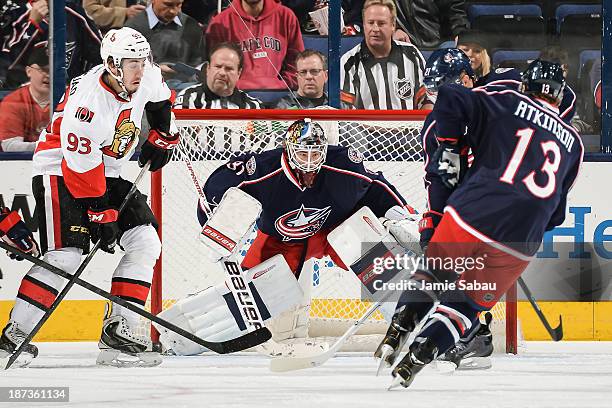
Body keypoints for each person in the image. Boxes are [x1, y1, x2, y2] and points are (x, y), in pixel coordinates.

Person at [380, 59, 583, 388]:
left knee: (435, 272)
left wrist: (439, 222)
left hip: (475, 208)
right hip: (522, 238)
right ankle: (421, 354)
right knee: (467, 304)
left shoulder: (498, 97)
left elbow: (440, 172)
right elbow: (556, 213)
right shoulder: (572, 141)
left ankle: (402, 325)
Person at [0, 27, 178, 368]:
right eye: (131, 64)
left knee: (145, 242)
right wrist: (101, 213)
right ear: (112, 65)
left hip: (106, 170)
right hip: (60, 169)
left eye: (143, 61)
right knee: (66, 256)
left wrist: (161, 135)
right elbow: (80, 169)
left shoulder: (145, 74)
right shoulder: (87, 106)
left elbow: (158, 102)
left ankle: (118, 332)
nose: (140, 70)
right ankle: (13, 337)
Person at [340, 0, 431, 110]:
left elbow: (427, 100)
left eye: (381, 23)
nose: (375, 29)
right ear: (363, 24)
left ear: (393, 25)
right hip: (364, 127)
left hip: (410, 127)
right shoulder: (348, 63)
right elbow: (346, 114)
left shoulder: (412, 54)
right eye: (370, 23)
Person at [205, 0, 305, 90]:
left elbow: (298, 64)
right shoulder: (220, 22)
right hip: (234, 97)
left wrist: (282, 85)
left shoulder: (286, 16)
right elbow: (213, 71)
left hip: (278, 95)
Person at [1, 0, 102, 88]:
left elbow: (100, 55)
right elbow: (9, 67)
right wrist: (32, 25)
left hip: (69, 95)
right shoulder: (15, 16)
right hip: (28, 97)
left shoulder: (75, 13)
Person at [125, 0, 205, 83]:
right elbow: (127, 67)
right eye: (167, 4)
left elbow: (198, 64)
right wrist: (153, 70)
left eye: (178, 5)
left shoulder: (191, 26)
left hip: (184, 87)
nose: (173, 11)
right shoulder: (132, 29)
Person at [174, 42, 263, 109]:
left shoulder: (253, 106)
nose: (222, 73)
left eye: (229, 68)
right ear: (208, 68)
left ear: (238, 73)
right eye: (218, 66)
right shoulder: (189, 97)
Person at [0, 45, 50, 152]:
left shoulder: (71, 99)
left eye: (53, 70)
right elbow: (10, 146)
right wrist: (50, 147)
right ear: (29, 71)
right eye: (43, 70)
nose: (49, 75)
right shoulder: (13, 102)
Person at [394, 0, 469, 48]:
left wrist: (460, 33)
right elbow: (384, 7)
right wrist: (394, 28)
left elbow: (456, 10)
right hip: (403, 42)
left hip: (440, 41)